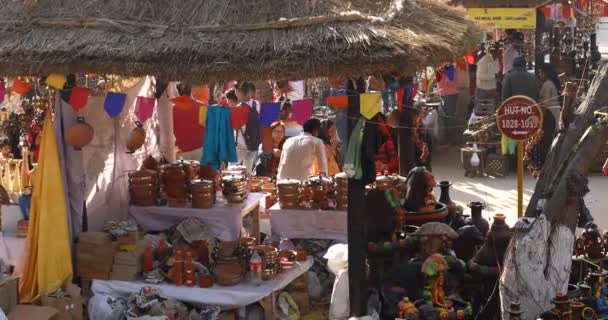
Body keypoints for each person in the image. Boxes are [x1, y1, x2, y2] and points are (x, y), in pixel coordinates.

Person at [234, 82, 261, 172]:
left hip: (241, 144)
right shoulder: (257, 104)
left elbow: (235, 128)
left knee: (233, 169)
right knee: (248, 170)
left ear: (238, 92)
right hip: (254, 143)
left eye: (236, 91)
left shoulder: (237, 109)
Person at [437, 63, 459, 145]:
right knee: (444, 118)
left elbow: (449, 82)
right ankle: (447, 140)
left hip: (450, 95)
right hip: (444, 95)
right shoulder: (440, 70)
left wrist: (443, 73)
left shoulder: (450, 68)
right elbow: (439, 84)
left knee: (450, 118)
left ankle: (452, 140)